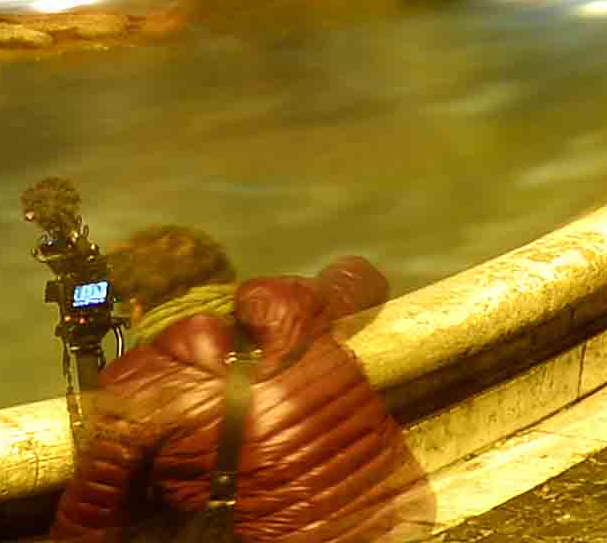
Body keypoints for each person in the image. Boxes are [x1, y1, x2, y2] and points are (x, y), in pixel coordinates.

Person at [48, 226, 433, 543]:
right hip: (405, 518)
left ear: (136, 306)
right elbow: (361, 274)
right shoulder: (295, 306)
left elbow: (87, 526)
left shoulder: (135, 383)